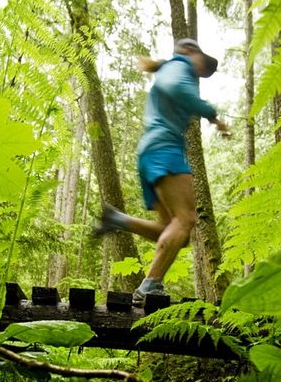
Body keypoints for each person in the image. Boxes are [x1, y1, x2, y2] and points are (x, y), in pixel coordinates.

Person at [92, 38, 231, 303]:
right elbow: (175, 87)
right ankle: (149, 286)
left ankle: (117, 220)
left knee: (172, 228)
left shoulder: (172, 68)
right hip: (165, 149)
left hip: (150, 152)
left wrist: (212, 119)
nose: (201, 73)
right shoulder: (180, 67)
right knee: (186, 220)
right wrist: (210, 112)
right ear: (190, 52)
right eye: (202, 64)